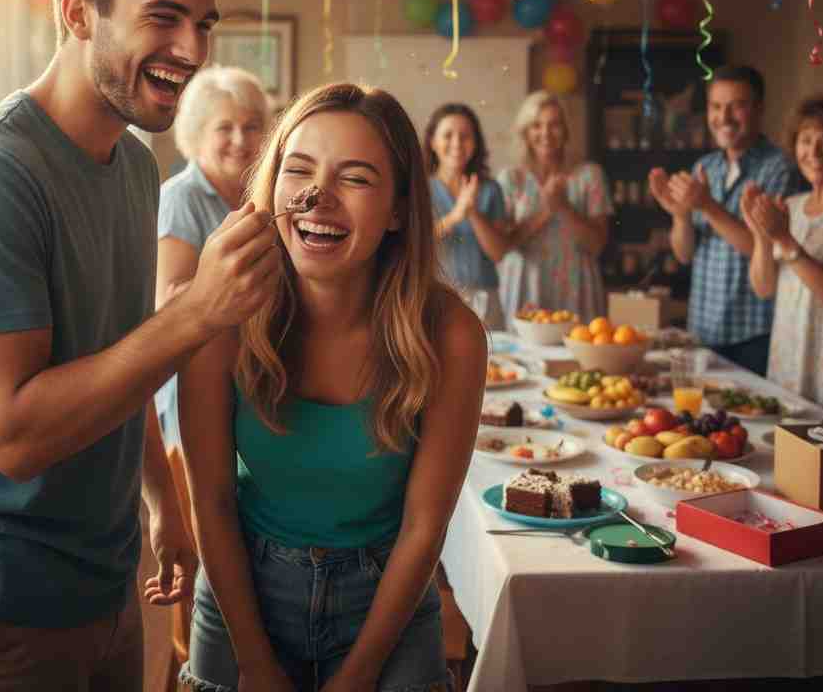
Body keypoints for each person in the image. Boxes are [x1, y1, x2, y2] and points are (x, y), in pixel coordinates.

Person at [0, 0, 281, 691]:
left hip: (104, 582)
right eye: (164, 18)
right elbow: (14, 434)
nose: (190, 49)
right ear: (77, 13)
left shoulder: (135, 166)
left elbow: (117, 358)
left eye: (204, 24)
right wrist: (199, 311)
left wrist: (163, 499)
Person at [177, 82, 487, 692]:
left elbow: (425, 526)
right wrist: (254, 663)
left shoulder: (451, 334)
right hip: (243, 594)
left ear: (399, 208)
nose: (319, 199)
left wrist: (359, 674)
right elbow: (211, 501)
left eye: (357, 178)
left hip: (388, 602)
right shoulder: (219, 317)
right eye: (299, 171)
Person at [648, 65, 799, 376]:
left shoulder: (779, 168)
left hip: (755, 332)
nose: (724, 117)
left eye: (737, 106)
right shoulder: (706, 166)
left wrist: (706, 205)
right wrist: (680, 215)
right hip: (703, 328)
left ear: (759, 108)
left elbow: (767, 248)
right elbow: (684, 253)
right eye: (716, 106)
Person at [154, 65, 271, 449]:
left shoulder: (262, 199)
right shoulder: (180, 197)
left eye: (252, 126)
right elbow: (170, 300)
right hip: (195, 380)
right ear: (198, 133)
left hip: (253, 375)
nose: (240, 140)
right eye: (225, 128)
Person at [742, 94, 823, 420]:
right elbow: (764, 287)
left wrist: (782, 236)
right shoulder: (791, 206)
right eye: (805, 141)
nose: (814, 153)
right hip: (790, 363)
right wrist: (759, 233)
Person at [497, 89, 612, 322]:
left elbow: (597, 245)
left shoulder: (590, 175)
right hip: (524, 287)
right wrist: (547, 210)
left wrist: (563, 208)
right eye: (536, 126)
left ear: (567, 130)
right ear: (526, 132)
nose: (545, 133)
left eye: (555, 125)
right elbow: (503, 245)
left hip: (576, 288)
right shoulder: (510, 178)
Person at [424, 102, 511, 330]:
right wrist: (455, 216)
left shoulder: (491, 189)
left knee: (493, 365)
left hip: (485, 300)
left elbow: (499, 253)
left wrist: (473, 212)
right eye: (448, 135)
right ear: (433, 141)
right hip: (434, 299)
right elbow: (414, 243)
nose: (457, 143)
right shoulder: (420, 188)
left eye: (465, 136)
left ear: (475, 143)